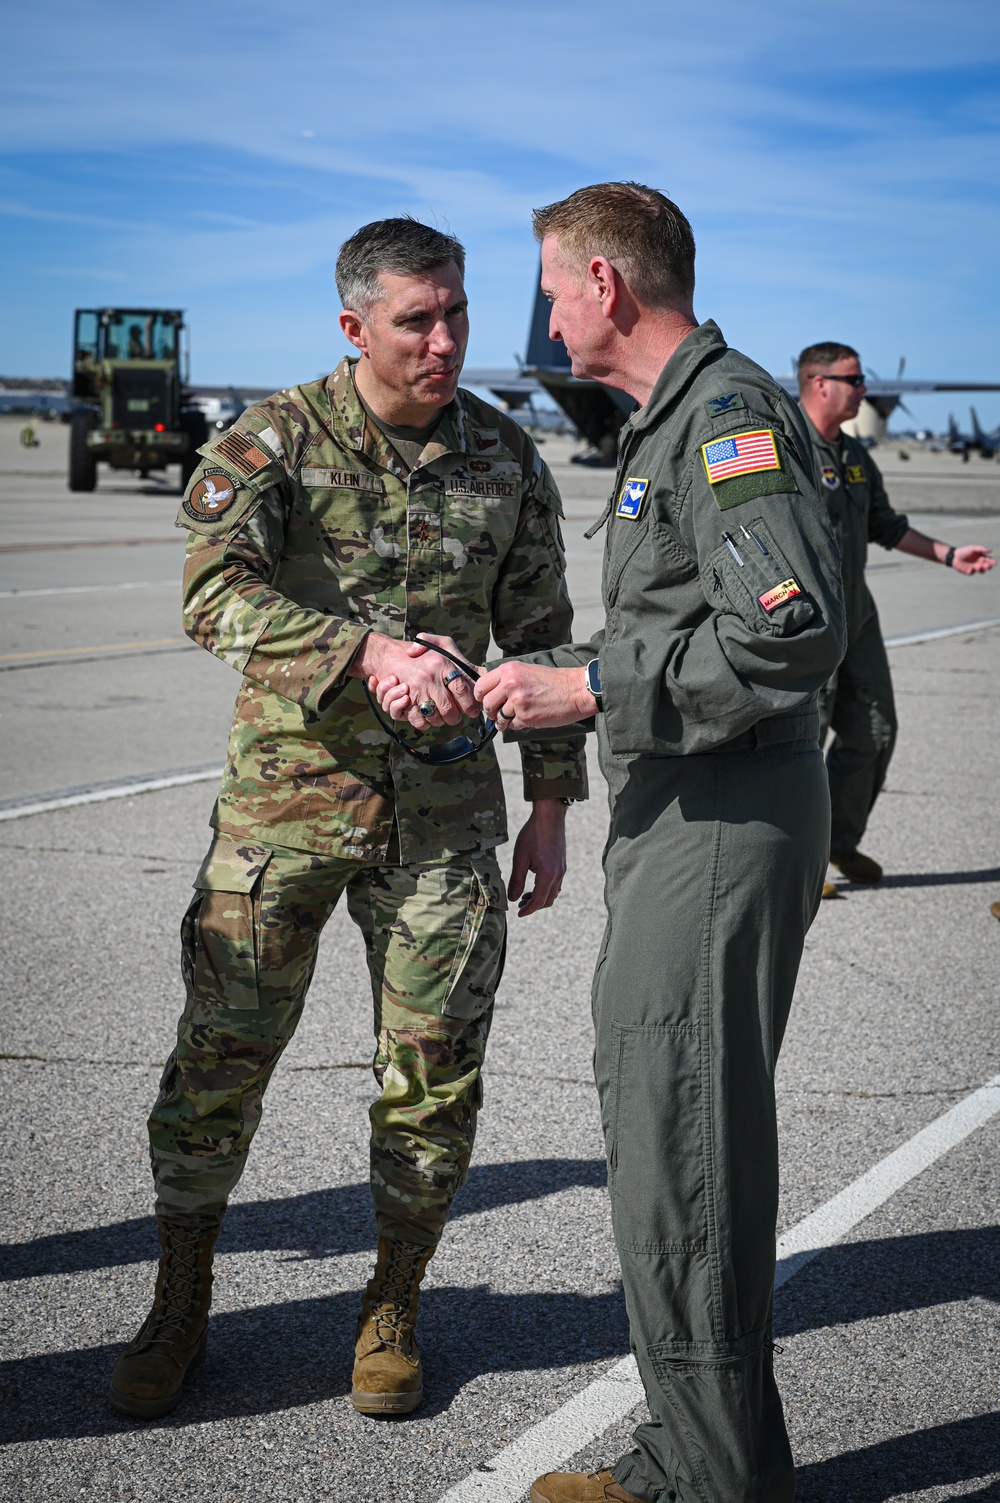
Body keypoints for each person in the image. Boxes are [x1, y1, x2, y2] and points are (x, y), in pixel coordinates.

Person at [377, 183, 845, 1503]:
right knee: (667, 1129)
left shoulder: (727, 416)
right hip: (687, 808)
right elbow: (695, 624)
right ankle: (698, 1453)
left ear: (609, 288)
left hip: (721, 818)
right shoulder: (675, 419)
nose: (539, 311)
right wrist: (553, 669)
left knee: (680, 1132)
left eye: (550, 285)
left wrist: (589, 689)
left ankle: (702, 1478)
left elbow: (792, 630)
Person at [108, 217, 587, 1422]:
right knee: (216, 1072)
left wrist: (550, 809)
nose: (443, 340)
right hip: (283, 817)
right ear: (354, 326)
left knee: (432, 1083)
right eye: (417, 319)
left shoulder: (504, 456)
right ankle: (179, 1296)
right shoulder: (273, 439)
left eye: (457, 314)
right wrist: (358, 648)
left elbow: (541, 639)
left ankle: (394, 1306)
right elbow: (213, 594)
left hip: (444, 828)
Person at [796, 344, 995, 896]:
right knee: (802, 741)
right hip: (810, 617)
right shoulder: (788, 450)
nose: (865, 389)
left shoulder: (855, 456)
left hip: (857, 613)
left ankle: (837, 841)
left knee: (876, 728)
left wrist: (950, 555)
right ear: (818, 382)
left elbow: (885, 524)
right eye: (854, 379)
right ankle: (800, 865)